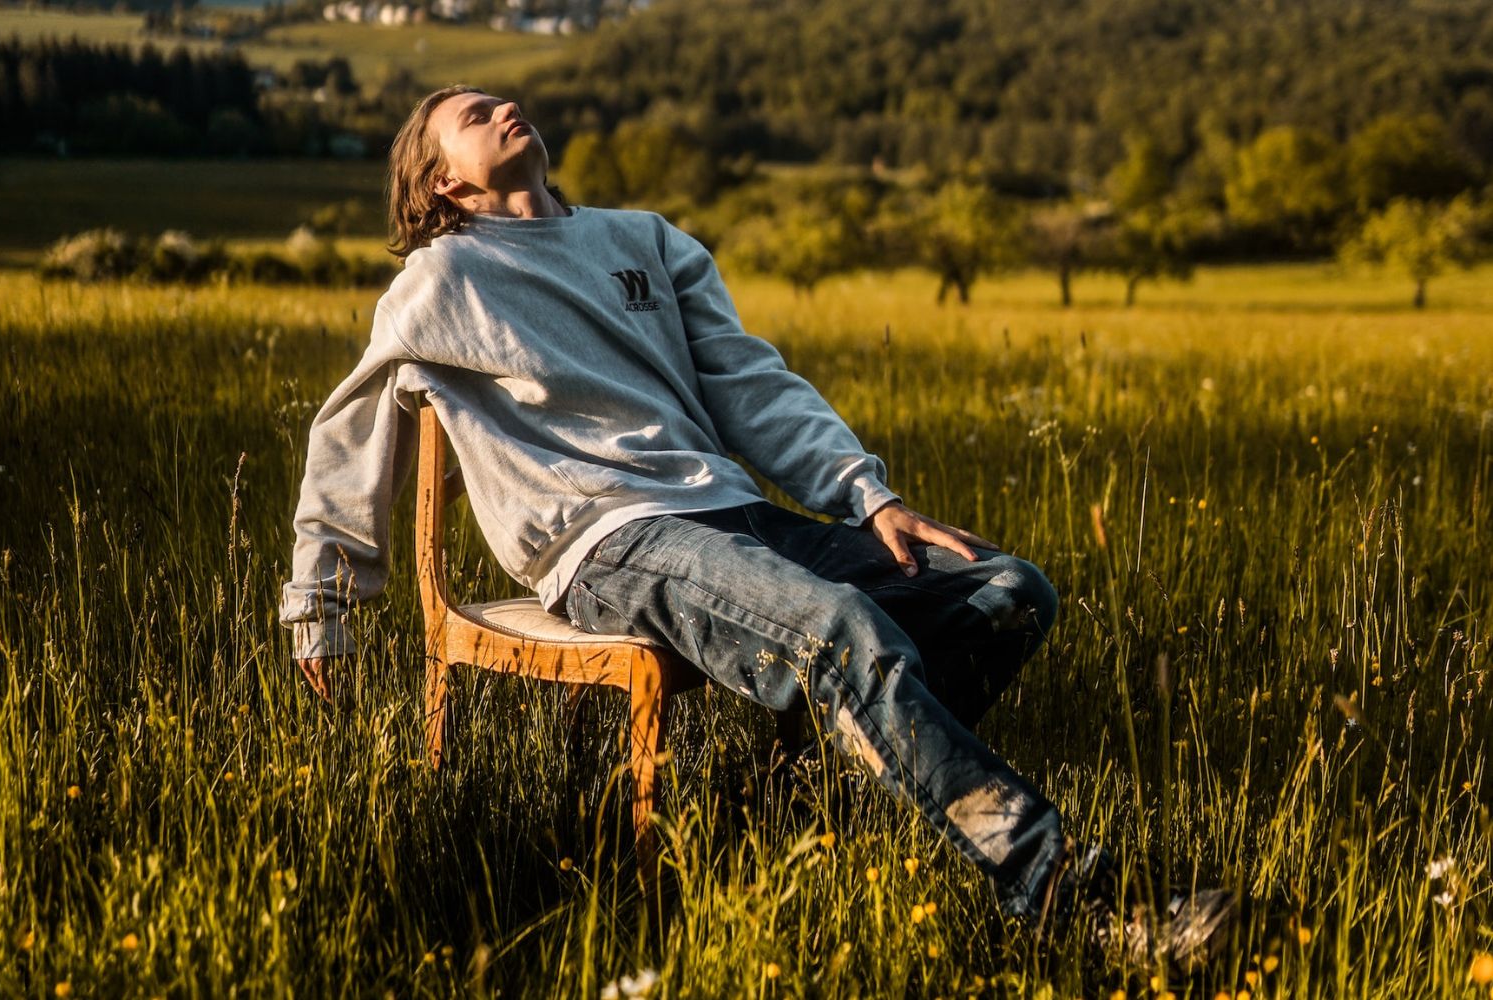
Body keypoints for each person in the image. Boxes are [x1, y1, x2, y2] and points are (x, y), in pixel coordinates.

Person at [279, 83, 1234, 966]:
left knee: (1010, 593)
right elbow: (353, 431)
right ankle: (1078, 899)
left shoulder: (644, 239)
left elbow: (750, 383)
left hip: (729, 512)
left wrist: (870, 495)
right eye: (478, 112)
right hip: (608, 542)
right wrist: (322, 600)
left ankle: (782, 805)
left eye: (504, 98)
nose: (507, 107)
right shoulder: (442, 279)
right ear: (443, 178)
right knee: (842, 635)